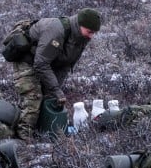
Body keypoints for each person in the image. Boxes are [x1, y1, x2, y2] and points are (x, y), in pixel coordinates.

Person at [9, 8, 102, 139]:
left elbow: (66, 64)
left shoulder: (81, 37)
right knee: (33, 98)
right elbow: (40, 64)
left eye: (94, 33)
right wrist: (56, 90)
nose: (91, 36)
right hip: (27, 60)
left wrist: (54, 91)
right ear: (80, 25)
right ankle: (23, 139)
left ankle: (41, 132)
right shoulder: (56, 31)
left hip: (46, 61)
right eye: (90, 32)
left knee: (49, 98)